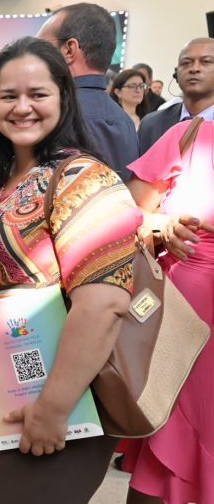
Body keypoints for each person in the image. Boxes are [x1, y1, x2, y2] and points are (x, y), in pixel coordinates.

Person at [0, 37, 141, 503]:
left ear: (63, 96)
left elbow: (104, 305)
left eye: (37, 94)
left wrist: (54, 408)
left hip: (52, 403)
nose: (22, 108)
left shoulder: (83, 178)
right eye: (7, 96)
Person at [121, 118, 214, 504]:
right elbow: (128, 215)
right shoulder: (190, 135)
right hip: (187, 318)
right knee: (170, 439)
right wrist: (162, 225)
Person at [37, 2, 138, 181]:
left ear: (69, 49)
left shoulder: (55, 114)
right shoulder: (125, 121)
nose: (34, 57)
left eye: (41, 47)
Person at [138, 38, 214, 155]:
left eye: (206, 61)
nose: (194, 69)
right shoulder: (151, 125)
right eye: (186, 63)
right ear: (176, 74)